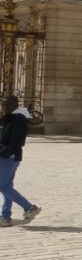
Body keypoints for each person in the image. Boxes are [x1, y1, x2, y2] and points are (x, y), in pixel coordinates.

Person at [0, 95, 40, 227]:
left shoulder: (18, 119)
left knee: (3, 186)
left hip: (8, 157)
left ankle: (29, 207)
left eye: (7, 104)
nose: (4, 107)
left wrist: (5, 153)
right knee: (7, 186)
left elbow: (17, 141)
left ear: (15, 104)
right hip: (9, 157)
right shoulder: (10, 117)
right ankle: (5, 216)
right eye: (3, 104)